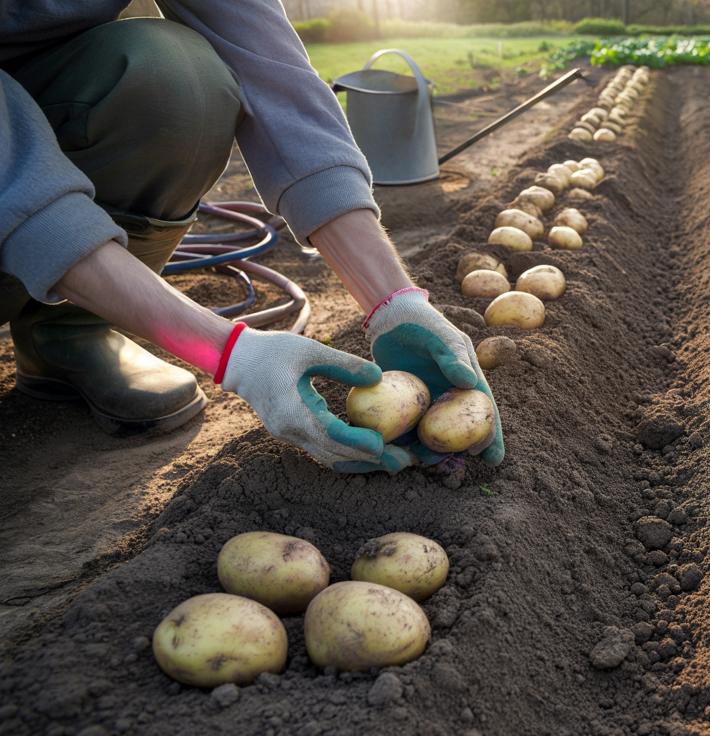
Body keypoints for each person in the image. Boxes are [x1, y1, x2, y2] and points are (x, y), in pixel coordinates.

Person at [0, 3, 502, 473]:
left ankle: (67, 330)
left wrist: (394, 300)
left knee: (178, 77)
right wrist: (231, 353)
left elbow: (267, 66)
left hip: (46, 76)